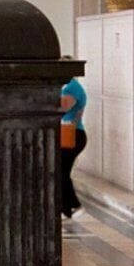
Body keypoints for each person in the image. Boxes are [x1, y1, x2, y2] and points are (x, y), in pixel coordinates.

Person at [52, 75, 88, 218]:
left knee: (62, 171)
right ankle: (65, 207)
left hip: (73, 135)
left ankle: (74, 205)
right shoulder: (67, 86)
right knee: (60, 171)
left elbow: (63, 107)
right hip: (68, 134)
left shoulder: (72, 87)